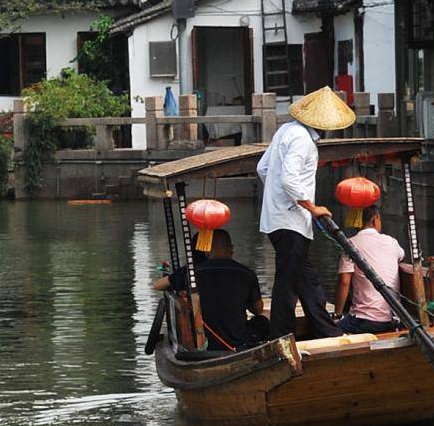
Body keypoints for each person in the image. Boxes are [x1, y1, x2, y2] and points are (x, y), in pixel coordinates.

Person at [257, 84, 356, 340]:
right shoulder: (303, 140)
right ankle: (281, 337)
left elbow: (263, 169)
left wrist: (275, 200)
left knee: (306, 279)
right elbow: (289, 180)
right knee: (287, 285)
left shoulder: (285, 131)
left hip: (280, 219)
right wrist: (311, 207)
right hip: (291, 221)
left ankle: (325, 328)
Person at [163, 229, 269, 351]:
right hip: (239, 343)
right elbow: (258, 309)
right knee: (266, 316)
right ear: (231, 249)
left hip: (203, 342)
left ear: (207, 251)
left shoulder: (191, 274)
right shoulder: (247, 273)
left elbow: (161, 285)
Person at [335, 199, 407, 335]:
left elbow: (344, 282)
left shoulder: (350, 244)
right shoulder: (391, 242)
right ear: (375, 219)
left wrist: (337, 316)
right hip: (393, 319)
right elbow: (400, 256)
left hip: (363, 321)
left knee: (328, 329)